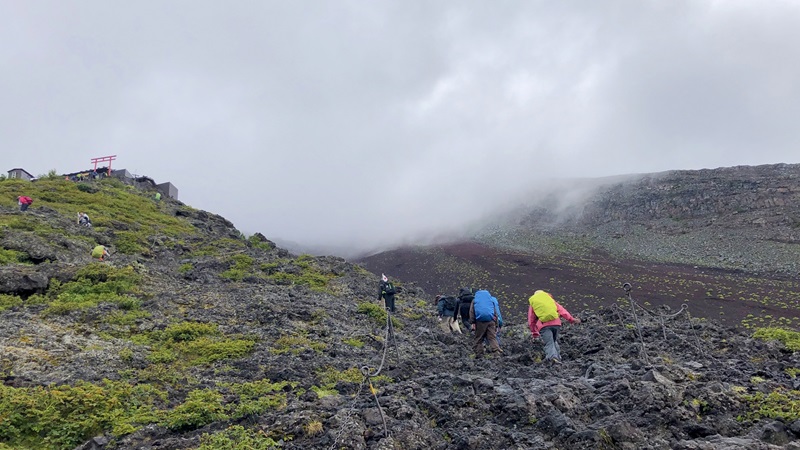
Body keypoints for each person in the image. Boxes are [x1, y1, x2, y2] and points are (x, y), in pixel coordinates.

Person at [527, 290, 581, 364]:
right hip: (556, 324)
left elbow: (531, 319)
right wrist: (571, 319)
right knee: (553, 341)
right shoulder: (549, 300)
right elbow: (562, 311)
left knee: (549, 343)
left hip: (544, 326)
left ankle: (552, 359)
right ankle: (558, 358)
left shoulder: (534, 302)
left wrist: (534, 333)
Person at [469, 289, 502, 359]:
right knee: (492, 337)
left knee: (479, 338)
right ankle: (496, 352)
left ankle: (479, 353)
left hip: (480, 321)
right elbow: (495, 312)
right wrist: (496, 324)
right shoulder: (490, 300)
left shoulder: (475, 301)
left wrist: (472, 322)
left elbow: (472, 312)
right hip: (491, 320)